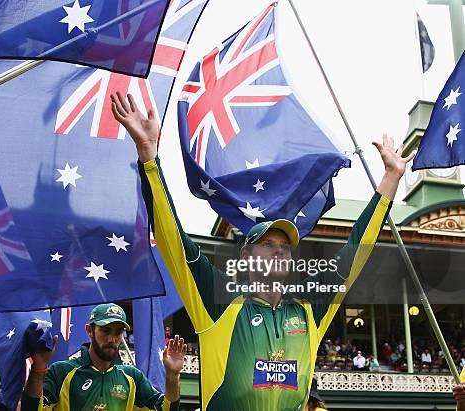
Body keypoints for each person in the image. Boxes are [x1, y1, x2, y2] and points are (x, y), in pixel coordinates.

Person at [111, 91, 412, 410]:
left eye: (284, 246)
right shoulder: (217, 302)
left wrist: (390, 178)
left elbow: (355, 250)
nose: (279, 251)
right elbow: (173, 238)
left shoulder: (311, 311)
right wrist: (149, 158)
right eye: (268, 245)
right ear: (246, 257)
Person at [20, 303, 186, 410]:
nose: (112, 339)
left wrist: (172, 376)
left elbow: (166, 409)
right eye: (105, 331)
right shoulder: (62, 372)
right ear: (89, 331)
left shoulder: (132, 377)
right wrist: (38, 368)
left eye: (118, 333)